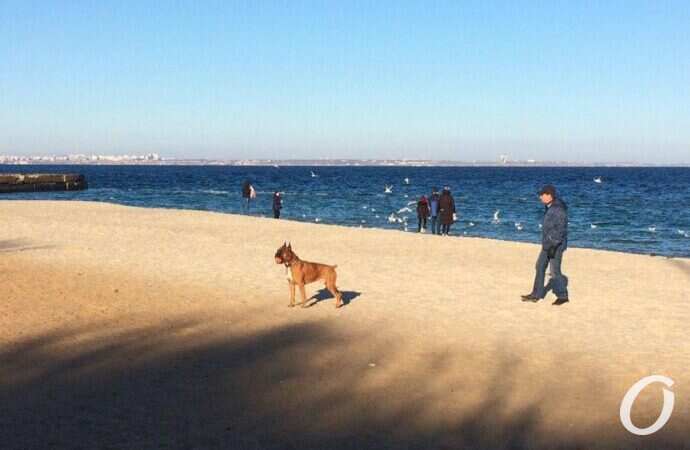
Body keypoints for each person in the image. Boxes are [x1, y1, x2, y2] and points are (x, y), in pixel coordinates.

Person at [522, 185, 570, 305]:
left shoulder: (558, 209)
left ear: (549, 195)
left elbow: (560, 230)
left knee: (554, 271)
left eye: (542, 194)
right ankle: (536, 294)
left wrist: (553, 245)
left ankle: (563, 296)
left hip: (555, 246)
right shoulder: (550, 206)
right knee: (540, 266)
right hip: (547, 244)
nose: (540, 197)